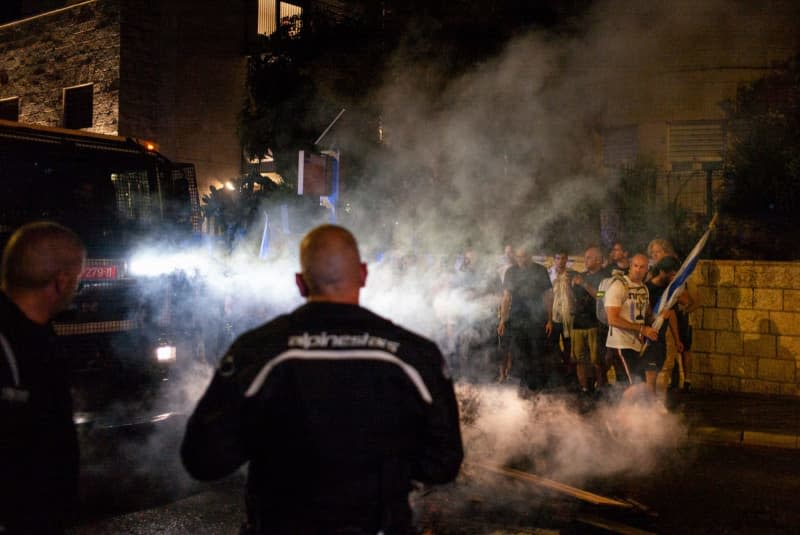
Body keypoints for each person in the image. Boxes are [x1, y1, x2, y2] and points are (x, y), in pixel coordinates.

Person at [181, 224, 463, 535]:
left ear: (300, 283)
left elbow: (203, 458)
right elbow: (443, 463)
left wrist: (270, 445)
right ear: (364, 274)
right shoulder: (413, 354)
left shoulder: (257, 351)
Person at [0, 221, 86, 534]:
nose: (77, 286)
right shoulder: (11, 346)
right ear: (61, 282)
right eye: (78, 278)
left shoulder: (39, 336)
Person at [604, 253, 659, 403]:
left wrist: (659, 318)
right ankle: (616, 417)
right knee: (637, 386)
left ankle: (623, 420)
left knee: (632, 387)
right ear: (630, 266)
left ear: (647, 269)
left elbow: (646, 314)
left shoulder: (643, 289)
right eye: (635, 266)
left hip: (635, 344)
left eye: (642, 267)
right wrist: (642, 329)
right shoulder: (619, 285)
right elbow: (612, 318)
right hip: (620, 343)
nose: (638, 270)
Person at [497, 246, 553, 390]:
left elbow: (548, 296)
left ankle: (538, 384)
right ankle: (524, 382)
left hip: (537, 318)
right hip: (517, 318)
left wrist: (550, 319)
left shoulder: (540, 270)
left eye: (524, 256)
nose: (521, 259)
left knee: (537, 351)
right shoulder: (511, 272)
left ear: (530, 256)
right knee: (520, 352)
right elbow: (506, 297)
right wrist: (502, 320)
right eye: (519, 257)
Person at [570, 246, 612, 395]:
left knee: (597, 360)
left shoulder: (605, 278)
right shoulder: (579, 276)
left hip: (596, 323)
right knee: (580, 359)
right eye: (585, 257)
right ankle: (584, 389)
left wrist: (584, 284)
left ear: (599, 260)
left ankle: (600, 388)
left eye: (589, 257)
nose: (585, 260)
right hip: (578, 324)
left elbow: (601, 296)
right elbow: (574, 298)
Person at [645, 256, 684, 398]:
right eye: (672, 274)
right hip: (649, 338)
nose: (674, 277)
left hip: (661, 339)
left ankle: (655, 404)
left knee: (658, 374)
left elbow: (671, 314)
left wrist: (677, 339)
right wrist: (659, 316)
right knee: (650, 375)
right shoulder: (647, 288)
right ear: (662, 271)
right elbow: (645, 317)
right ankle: (649, 408)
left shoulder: (668, 290)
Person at [547, 249, 576, 380]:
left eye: (563, 258)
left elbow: (577, 296)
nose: (561, 261)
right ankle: (557, 372)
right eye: (558, 258)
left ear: (567, 259)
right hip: (552, 315)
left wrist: (570, 286)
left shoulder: (572, 275)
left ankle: (569, 374)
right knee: (552, 345)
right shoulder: (548, 274)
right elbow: (545, 295)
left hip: (568, 315)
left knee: (569, 344)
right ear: (554, 259)